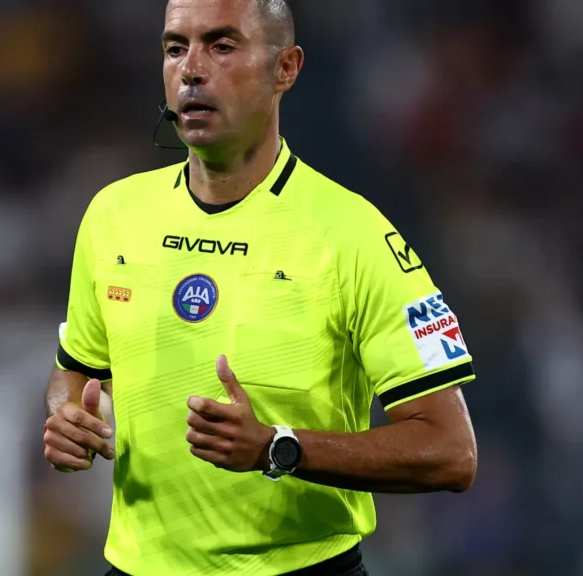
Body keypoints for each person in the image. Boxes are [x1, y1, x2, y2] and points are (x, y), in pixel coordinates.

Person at [41, 0, 478, 574]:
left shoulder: (352, 234)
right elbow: (76, 369)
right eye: (175, 48)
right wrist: (68, 417)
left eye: (222, 46)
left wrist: (278, 448)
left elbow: (450, 451)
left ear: (285, 68)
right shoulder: (113, 215)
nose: (191, 70)